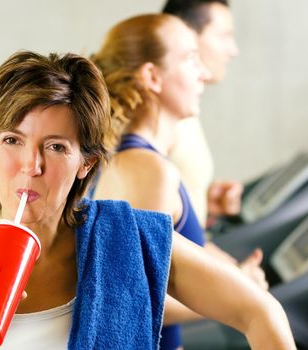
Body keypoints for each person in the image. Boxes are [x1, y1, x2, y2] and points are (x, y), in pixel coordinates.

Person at [0, 51, 295, 349]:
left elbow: (261, 312)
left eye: (55, 147)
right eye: (12, 140)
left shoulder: (128, 241)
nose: (30, 165)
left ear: (87, 163)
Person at [91, 14, 266, 350]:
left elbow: (173, 267)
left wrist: (232, 273)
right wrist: (241, 291)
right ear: (152, 76)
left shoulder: (143, 161)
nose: (202, 73)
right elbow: (135, 303)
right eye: (190, 59)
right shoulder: (149, 171)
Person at [163, 0, 242, 228]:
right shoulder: (161, 110)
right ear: (187, 36)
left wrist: (202, 202)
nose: (233, 50)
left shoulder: (186, 104)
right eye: (224, 36)